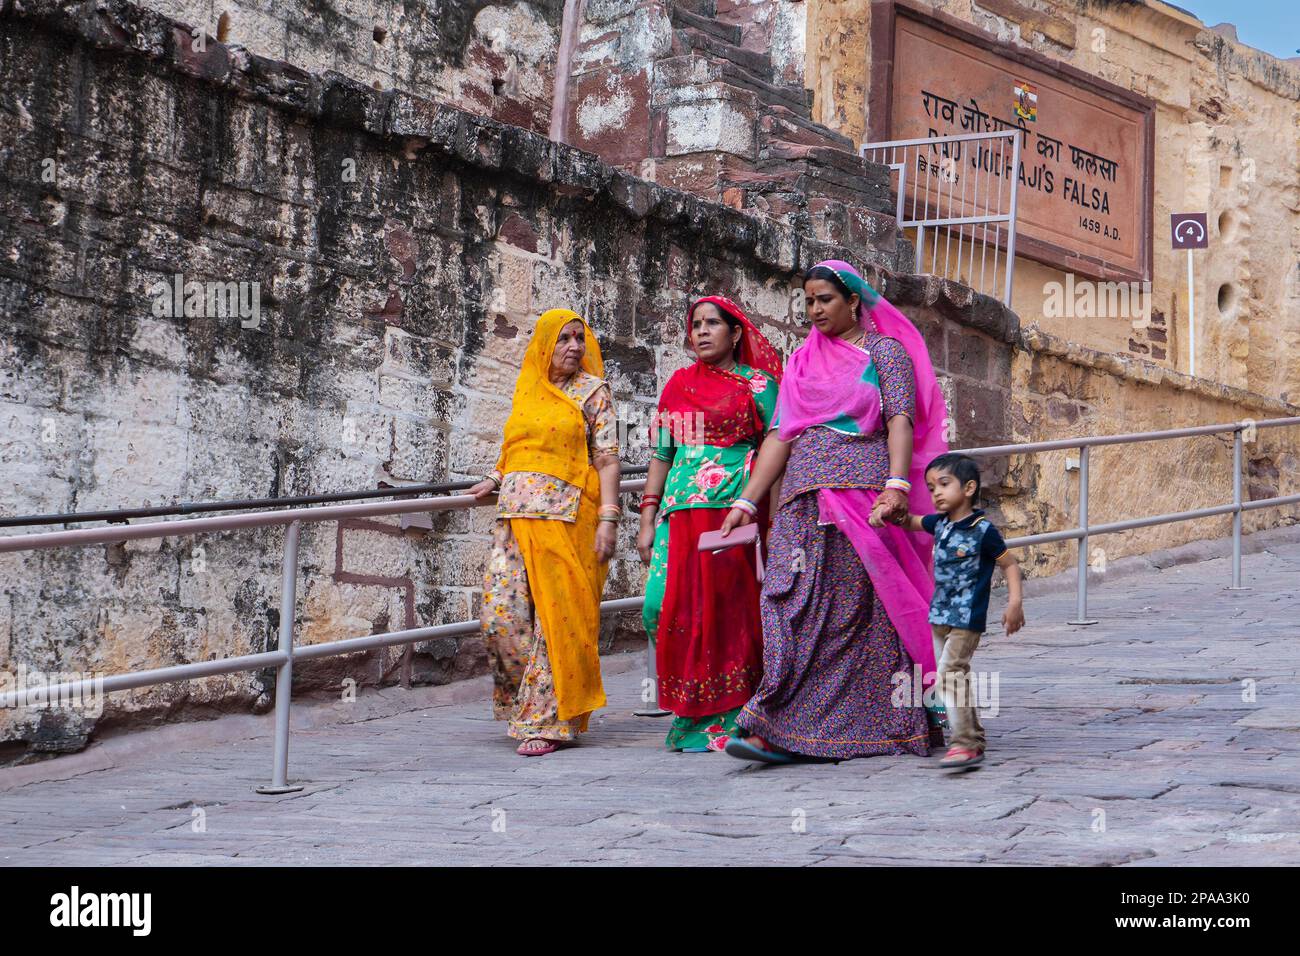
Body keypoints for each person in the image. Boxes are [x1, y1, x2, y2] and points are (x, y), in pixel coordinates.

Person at [720, 260, 949, 764]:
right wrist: (745, 501)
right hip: (804, 500)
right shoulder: (802, 358)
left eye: (825, 299)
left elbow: (900, 421)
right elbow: (781, 435)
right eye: (808, 301)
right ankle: (774, 722)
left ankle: (852, 726)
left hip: (863, 501)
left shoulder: (886, 353)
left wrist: (896, 486)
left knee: (852, 616)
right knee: (789, 605)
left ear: (853, 303)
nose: (815, 309)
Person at [472, 309, 622, 756]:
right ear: (544, 345)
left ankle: (548, 719)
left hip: (570, 517)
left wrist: (610, 517)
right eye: (563, 339)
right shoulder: (529, 390)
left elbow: (608, 457)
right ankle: (526, 703)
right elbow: (516, 447)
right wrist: (496, 478)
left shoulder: (594, 392)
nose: (574, 346)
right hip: (514, 517)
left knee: (559, 622)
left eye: (579, 338)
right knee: (502, 617)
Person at [638, 296, 783, 752]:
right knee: (661, 608)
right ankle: (692, 711)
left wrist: (772, 519)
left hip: (733, 514)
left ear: (735, 333)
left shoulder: (759, 386)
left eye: (712, 324)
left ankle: (735, 716)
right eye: (695, 324)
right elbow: (663, 455)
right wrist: (647, 517)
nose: (701, 332)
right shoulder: (679, 383)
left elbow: (778, 454)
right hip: (678, 515)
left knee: (727, 613)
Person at [893, 452, 1024, 768]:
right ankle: (973, 738)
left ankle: (963, 743)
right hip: (938, 615)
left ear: (968, 488)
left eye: (943, 484)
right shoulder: (939, 524)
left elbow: (1009, 564)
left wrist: (1014, 603)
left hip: (967, 619)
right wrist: (889, 513)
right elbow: (910, 522)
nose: (935, 492)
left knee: (951, 674)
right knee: (951, 676)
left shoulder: (983, 530)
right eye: (931, 487)